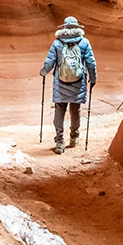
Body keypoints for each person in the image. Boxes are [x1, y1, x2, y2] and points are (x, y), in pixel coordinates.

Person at [40, 16, 97, 154]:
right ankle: (73, 137)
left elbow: (49, 62)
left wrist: (43, 72)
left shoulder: (57, 43)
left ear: (64, 28)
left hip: (61, 83)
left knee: (60, 109)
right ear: (77, 28)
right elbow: (90, 62)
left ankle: (60, 142)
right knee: (75, 110)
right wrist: (93, 78)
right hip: (78, 83)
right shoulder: (84, 42)